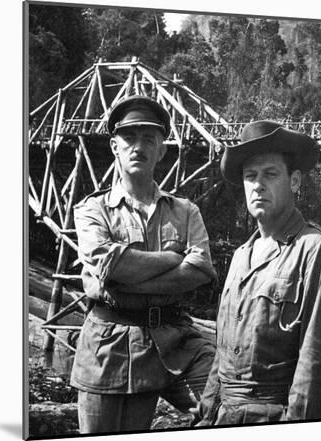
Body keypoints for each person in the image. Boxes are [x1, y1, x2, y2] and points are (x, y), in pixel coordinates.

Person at [70, 95, 217, 433]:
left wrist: (121, 280)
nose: (139, 146)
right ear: (114, 147)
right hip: (109, 348)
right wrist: (171, 259)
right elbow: (112, 264)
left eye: (149, 138)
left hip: (174, 341)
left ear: (162, 150)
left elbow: (201, 269)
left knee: (228, 400)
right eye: (130, 137)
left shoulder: (185, 211)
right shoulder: (93, 210)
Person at [197, 120, 321, 425]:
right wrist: (205, 413)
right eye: (250, 176)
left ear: (294, 181)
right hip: (222, 417)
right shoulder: (241, 256)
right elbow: (222, 355)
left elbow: (318, 361)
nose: (258, 185)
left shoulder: (316, 249)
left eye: (270, 174)